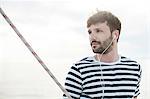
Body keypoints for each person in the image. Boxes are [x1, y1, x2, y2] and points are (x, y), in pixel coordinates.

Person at [63, 11, 142, 99]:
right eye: (90, 32)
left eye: (98, 31)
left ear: (115, 35)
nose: (92, 36)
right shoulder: (79, 70)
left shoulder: (134, 68)